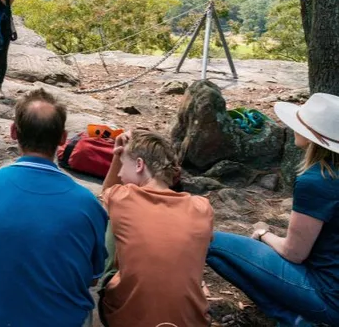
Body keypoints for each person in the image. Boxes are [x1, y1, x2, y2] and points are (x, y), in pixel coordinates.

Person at [0, 88, 107, 327]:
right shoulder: (88, 203)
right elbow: (92, 279)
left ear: (13, 132)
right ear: (62, 138)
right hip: (65, 321)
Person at [207, 93, 339, 326]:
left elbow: (294, 253)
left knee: (209, 242)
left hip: (327, 297)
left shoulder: (318, 180)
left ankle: (294, 319)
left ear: (314, 137)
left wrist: (262, 234)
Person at [98, 130, 214, 327]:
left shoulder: (122, 198)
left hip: (125, 320)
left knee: (109, 225)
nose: (119, 173)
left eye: (123, 166)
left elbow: (101, 204)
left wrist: (116, 156)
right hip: (192, 322)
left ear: (139, 165)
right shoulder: (203, 207)